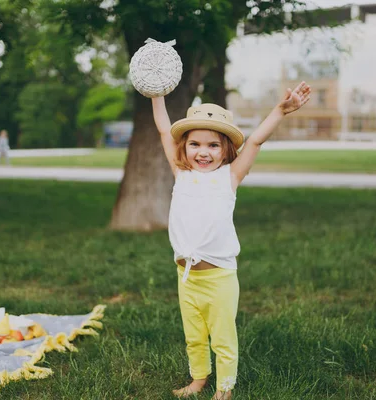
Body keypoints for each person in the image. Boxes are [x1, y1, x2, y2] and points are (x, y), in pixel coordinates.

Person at [152, 81, 311, 400]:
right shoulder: (181, 174)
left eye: (213, 145)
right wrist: (157, 94)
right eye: (195, 144)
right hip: (186, 277)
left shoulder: (230, 177)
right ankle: (199, 378)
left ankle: (224, 388)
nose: (203, 152)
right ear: (183, 147)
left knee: (222, 337)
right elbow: (163, 130)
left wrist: (280, 110)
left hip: (219, 278)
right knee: (194, 335)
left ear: (226, 149)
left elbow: (255, 140)